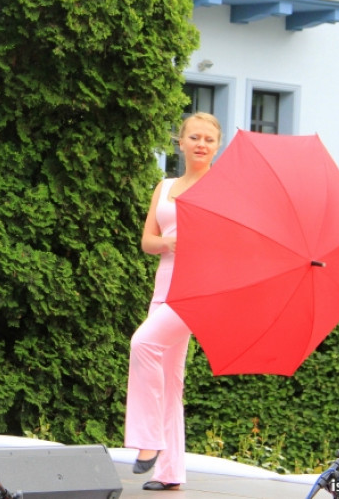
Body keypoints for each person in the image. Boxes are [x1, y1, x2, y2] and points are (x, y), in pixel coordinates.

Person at [125, 112, 221, 492]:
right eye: (194, 137)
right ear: (180, 142)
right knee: (169, 379)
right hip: (163, 290)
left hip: (197, 290)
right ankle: (170, 472)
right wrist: (169, 243)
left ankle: (148, 441)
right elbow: (148, 241)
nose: (201, 144)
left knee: (143, 343)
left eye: (209, 139)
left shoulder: (222, 189)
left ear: (217, 145)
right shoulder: (164, 187)